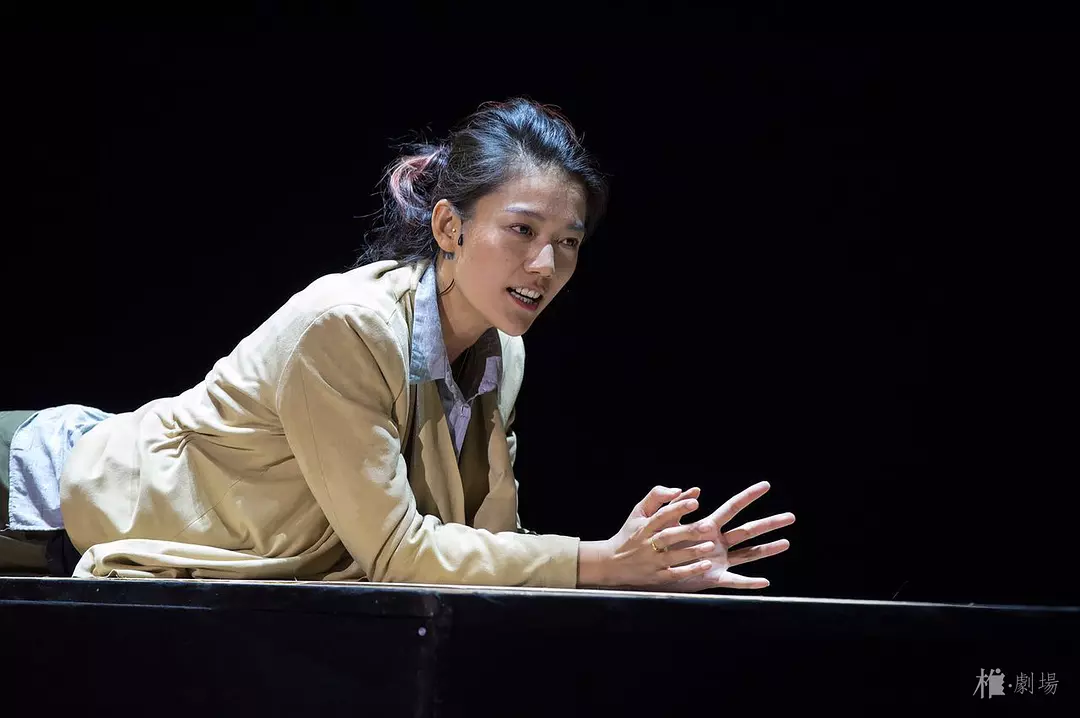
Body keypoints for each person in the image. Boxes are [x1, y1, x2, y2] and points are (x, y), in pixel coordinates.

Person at [0, 98, 795, 590]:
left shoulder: (501, 350)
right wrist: (601, 562)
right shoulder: (346, 326)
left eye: (568, 242)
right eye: (521, 231)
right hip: (51, 494)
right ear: (450, 227)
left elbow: (484, 545)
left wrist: (649, 562)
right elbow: (396, 550)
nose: (545, 265)